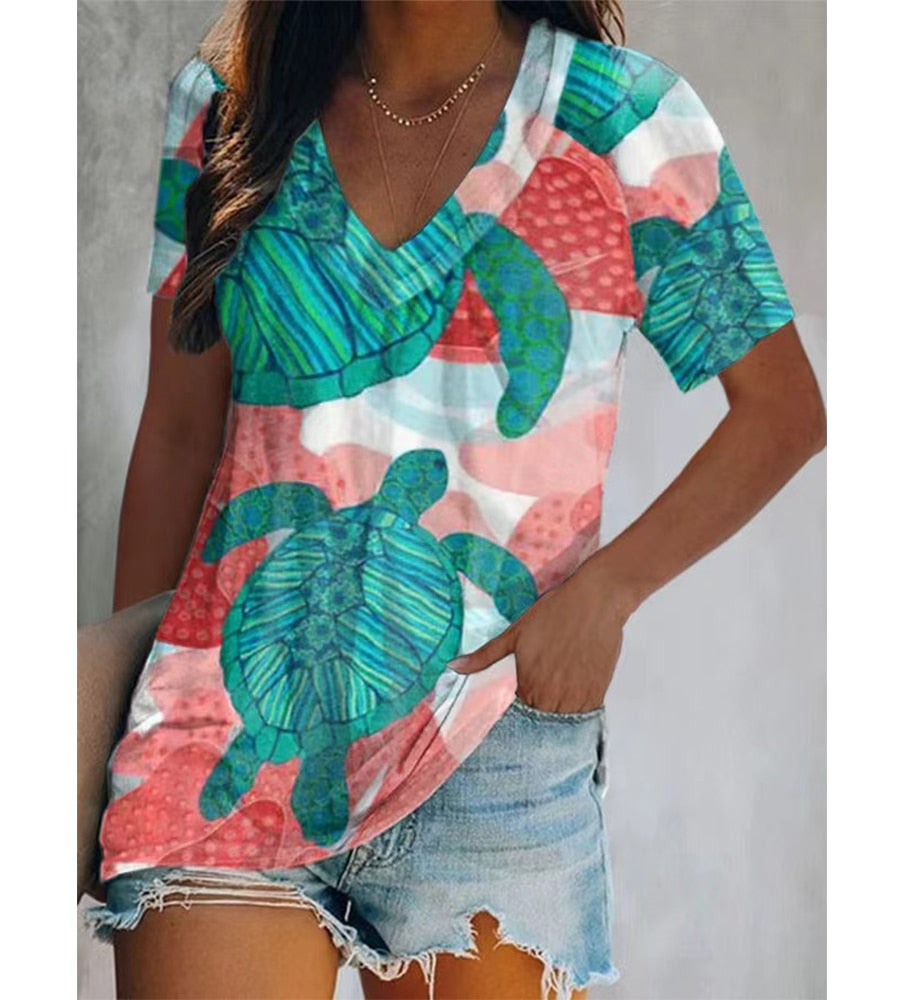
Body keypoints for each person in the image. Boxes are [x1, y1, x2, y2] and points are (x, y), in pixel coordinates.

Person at [79, 1, 826, 998]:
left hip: (492, 747)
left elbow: (781, 413)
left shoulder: (619, 120)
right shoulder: (228, 105)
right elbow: (178, 434)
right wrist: (120, 721)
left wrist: (605, 596)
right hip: (216, 729)